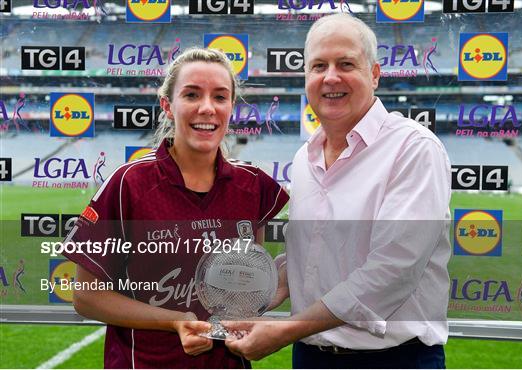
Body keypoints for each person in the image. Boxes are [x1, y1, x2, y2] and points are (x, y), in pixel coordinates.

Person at [225, 13, 451, 369]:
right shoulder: (305, 158)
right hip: (312, 357)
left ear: (374, 74)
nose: (331, 77)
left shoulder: (413, 148)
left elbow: (391, 272)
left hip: (395, 360)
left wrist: (284, 331)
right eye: (318, 66)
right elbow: (309, 260)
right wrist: (252, 296)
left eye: (346, 63)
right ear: (306, 78)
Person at [62, 48, 289, 368]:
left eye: (220, 97)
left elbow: (245, 290)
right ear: (168, 106)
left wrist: (266, 297)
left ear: (232, 108)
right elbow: (86, 297)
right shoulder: (128, 184)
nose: (207, 108)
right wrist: (173, 321)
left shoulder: (254, 185)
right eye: (192, 94)